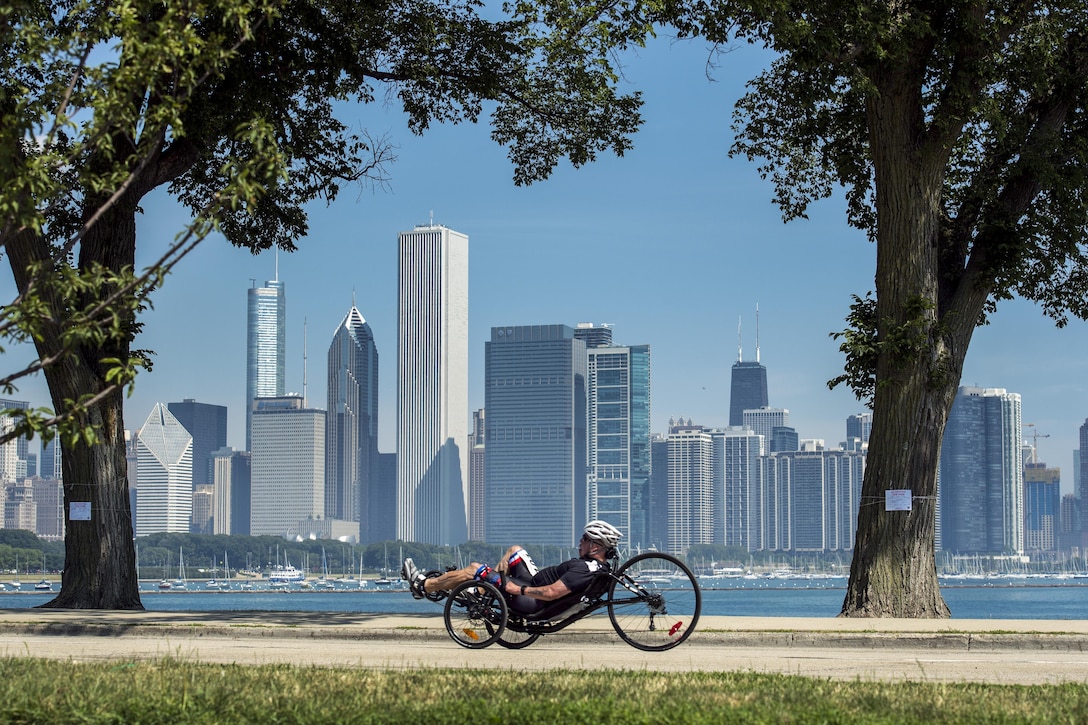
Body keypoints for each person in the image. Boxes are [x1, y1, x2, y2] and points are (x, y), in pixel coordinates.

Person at [401, 520, 622, 615]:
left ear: (595, 546)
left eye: (584, 539)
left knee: (475, 569)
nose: (579, 542)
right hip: (533, 581)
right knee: (515, 550)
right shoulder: (595, 567)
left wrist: (519, 590)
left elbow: (552, 592)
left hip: (529, 598)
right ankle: (479, 592)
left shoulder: (583, 570)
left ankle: (423, 586)